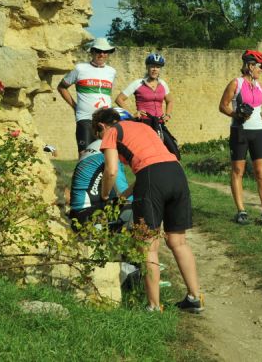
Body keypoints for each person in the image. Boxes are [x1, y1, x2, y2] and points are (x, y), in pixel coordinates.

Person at [92, 107, 204, 313]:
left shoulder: (111, 131)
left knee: (148, 245)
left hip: (153, 177)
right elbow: (151, 165)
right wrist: (124, 196)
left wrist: (105, 196)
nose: (101, 140)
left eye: (98, 136)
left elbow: (111, 170)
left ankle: (153, 305)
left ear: (100, 126)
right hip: (176, 173)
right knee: (178, 241)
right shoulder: (143, 128)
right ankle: (195, 297)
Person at [218, 49, 262, 226]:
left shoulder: (260, 86)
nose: (261, 69)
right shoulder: (236, 83)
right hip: (239, 131)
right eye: (260, 66)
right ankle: (241, 211)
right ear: (250, 66)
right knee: (238, 172)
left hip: (258, 132)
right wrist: (235, 114)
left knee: (260, 172)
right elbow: (222, 106)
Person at [58, 37, 117, 154]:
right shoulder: (80, 68)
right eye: (98, 51)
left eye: (105, 51)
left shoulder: (112, 71)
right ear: (92, 51)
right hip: (85, 118)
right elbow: (62, 87)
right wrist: (74, 106)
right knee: (84, 154)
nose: (102, 54)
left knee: (105, 154)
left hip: (106, 120)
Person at [115, 53, 180, 158]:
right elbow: (119, 99)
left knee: (173, 151)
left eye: (157, 67)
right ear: (147, 67)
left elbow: (170, 101)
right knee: (147, 152)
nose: (155, 69)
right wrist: (132, 114)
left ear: (160, 69)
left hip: (159, 122)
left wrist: (168, 115)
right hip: (144, 122)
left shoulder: (163, 84)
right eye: (152, 66)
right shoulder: (137, 83)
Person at [68, 137, 132, 232]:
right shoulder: (109, 152)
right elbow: (124, 194)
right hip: (88, 218)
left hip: (77, 215)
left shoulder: (96, 146)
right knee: (135, 210)